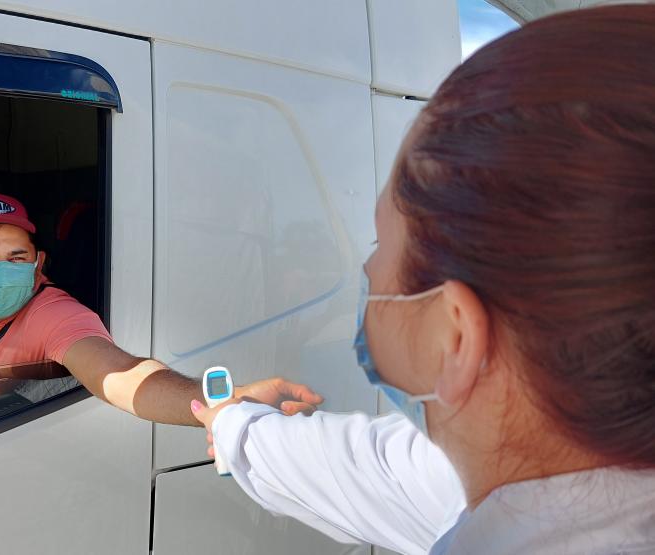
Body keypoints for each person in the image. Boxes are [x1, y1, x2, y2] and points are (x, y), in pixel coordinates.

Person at [191, 6, 655, 554]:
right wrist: (235, 423)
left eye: (382, 242)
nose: (365, 270)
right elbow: (373, 468)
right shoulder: (556, 475)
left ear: (455, 337)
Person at [0, 191, 322, 424]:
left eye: (17, 257)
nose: (2, 268)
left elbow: (121, 374)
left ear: (38, 264)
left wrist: (215, 404)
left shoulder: (56, 314)